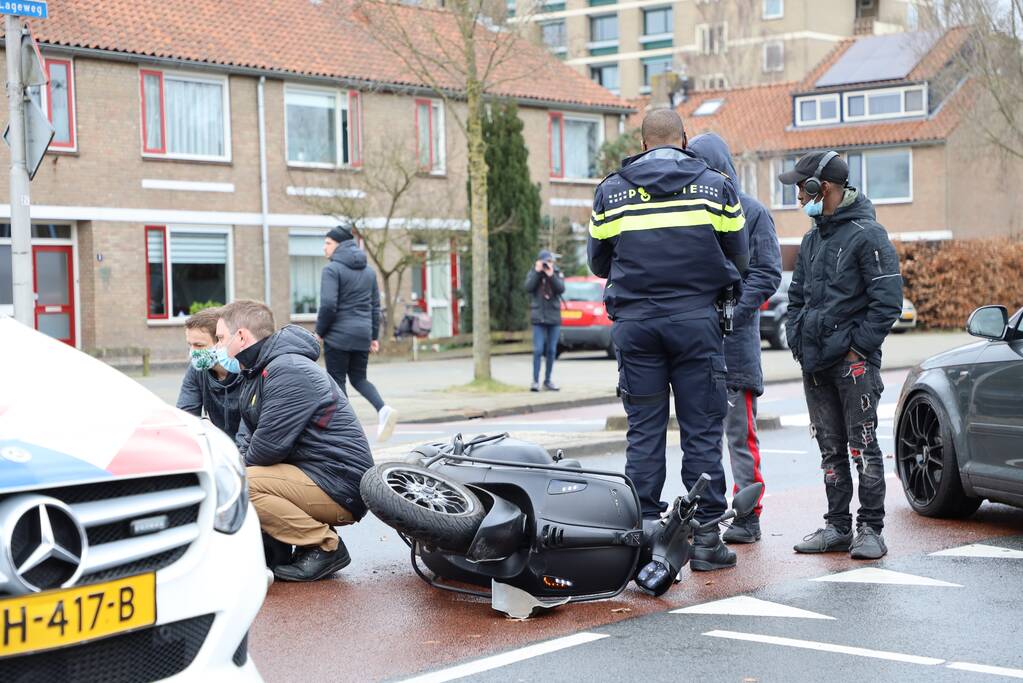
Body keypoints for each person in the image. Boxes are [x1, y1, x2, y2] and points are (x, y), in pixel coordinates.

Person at [588, 109, 749, 572]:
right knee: (701, 428)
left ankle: (641, 536)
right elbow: (738, 254)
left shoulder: (611, 191)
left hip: (636, 327)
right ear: (683, 140)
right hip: (696, 323)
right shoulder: (716, 186)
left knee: (644, 431)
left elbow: (599, 263)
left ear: (642, 144)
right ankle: (704, 541)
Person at [779, 150, 902, 560]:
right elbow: (796, 298)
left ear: (822, 187)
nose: (798, 196)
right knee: (830, 450)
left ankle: (870, 528)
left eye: (801, 187)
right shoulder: (813, 238)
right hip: (815, 364)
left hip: (854, 367)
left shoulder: (869, 235)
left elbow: (887, 303)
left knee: (862, 445)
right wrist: (797, 340)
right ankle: (836, 526)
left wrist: (857, 350)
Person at [217, 300, 374, 582]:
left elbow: (267, 448)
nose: (217, 347)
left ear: (240, 336)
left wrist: (237, 466)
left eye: (219, 338)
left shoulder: (287, 369)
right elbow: (247, 433)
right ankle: (301, 542)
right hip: (316, 475)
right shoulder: (258, 371)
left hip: (339, 482)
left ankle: (325, 546)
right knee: (241, 476)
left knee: (241, 485)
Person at [688, 133, 782, 545]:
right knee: (700, 438)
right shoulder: (689, 210)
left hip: (733, 347)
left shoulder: (754, 212)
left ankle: (749, 516)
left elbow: (767, 272)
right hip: (696, 347)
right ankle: (708, 514)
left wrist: (729, 315)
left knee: (738, 436)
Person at [316, 224, 398, 442]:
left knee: (336, 382)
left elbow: (328, 306)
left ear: (340, 245)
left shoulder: (332, 270)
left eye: (328, 243)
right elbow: (374, 306)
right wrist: (373, 336)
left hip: (338, 335)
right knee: (360, 379)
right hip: (362, 334)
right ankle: (383, 409)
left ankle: (345, 432)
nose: (324, 248)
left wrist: (319, 332)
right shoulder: (368, 271)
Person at [176, 307, 244, 440]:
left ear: (221, 342)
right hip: (219, 447)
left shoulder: (246, 370)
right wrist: (203, 425)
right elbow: (185, 418)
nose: (192, 352)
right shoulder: (197, 369)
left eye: (199, 345)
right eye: (190, 345)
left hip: (250, 451)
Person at [524, 249, 565, 392]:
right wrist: (537, 271)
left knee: (551, 350)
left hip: (553, 317)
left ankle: (547, 381)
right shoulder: (533, 273)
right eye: (545, 262)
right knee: (538, 350)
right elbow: (528, 287)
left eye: (549, 261)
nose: (547, 264)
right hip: (539, 318)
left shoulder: (556, 272)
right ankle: (535, 381)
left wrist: (551, 275)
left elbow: (561, 289)